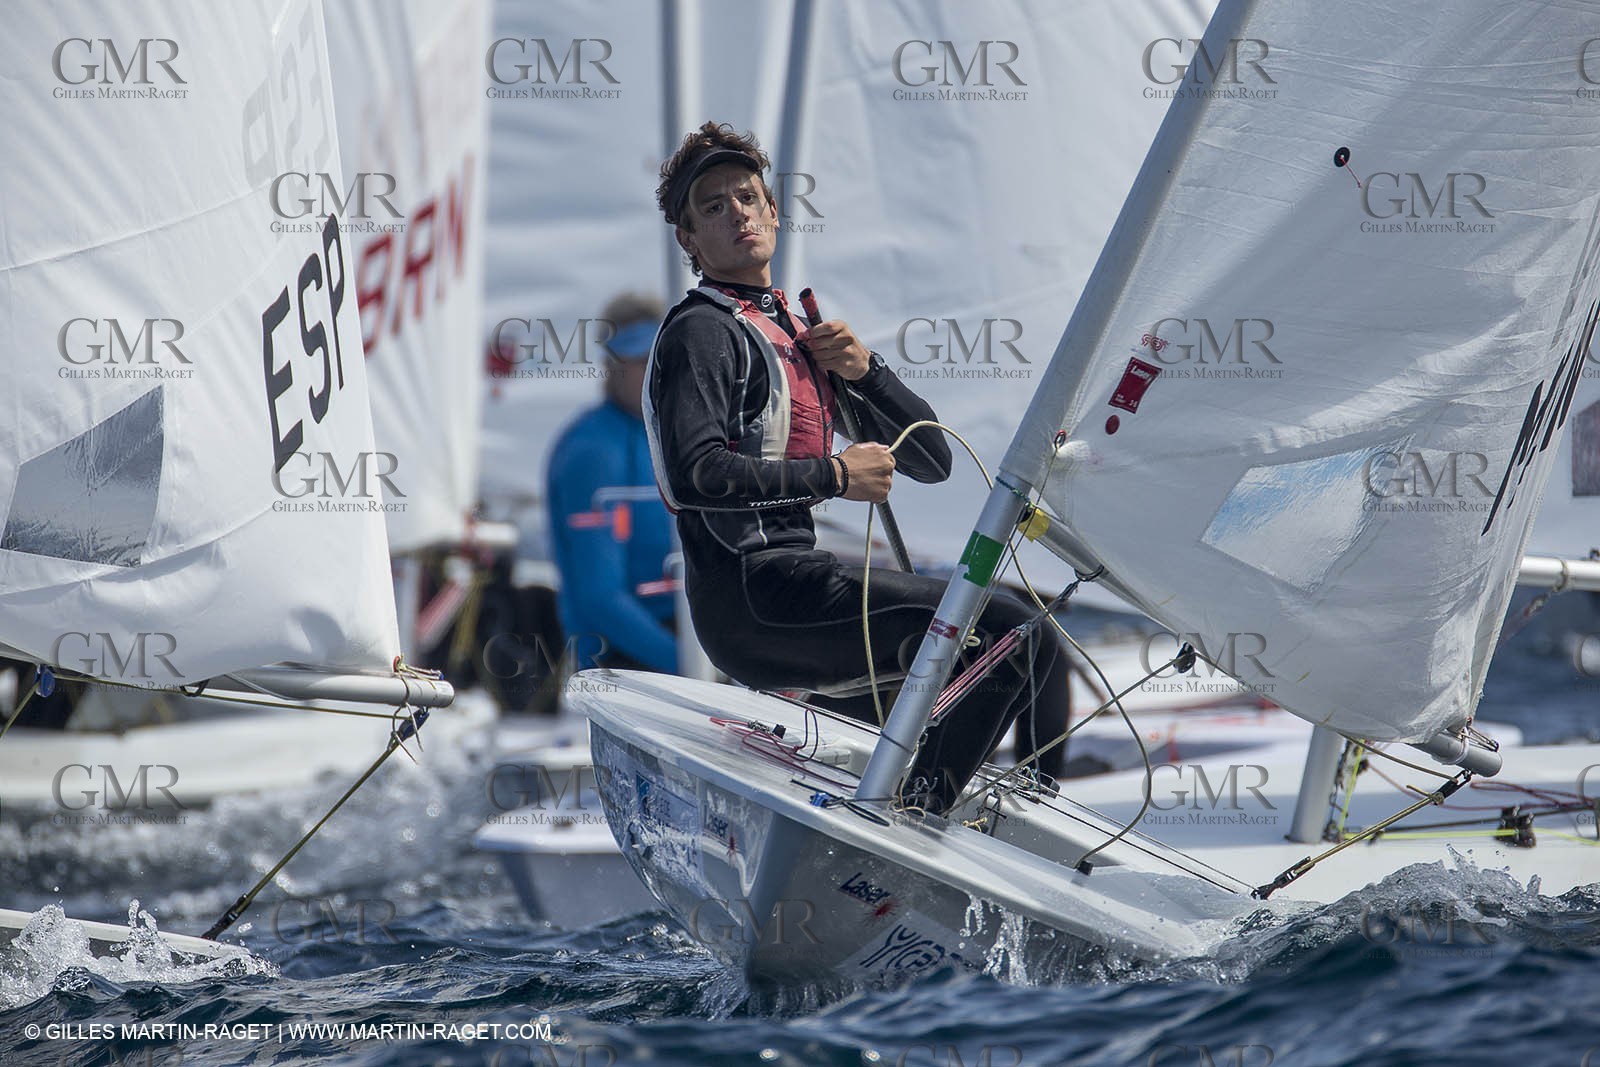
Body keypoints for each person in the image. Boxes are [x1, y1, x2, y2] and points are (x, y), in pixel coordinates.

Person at [643, 122, 1071, 813]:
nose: (738, 214)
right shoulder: (703, 332)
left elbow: (930, 459)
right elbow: (695, 475)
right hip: (755, 599)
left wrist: (867, 371)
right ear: (689, 240)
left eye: (748, 197)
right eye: (713, 206)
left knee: (1032, 646)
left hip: (799, 595)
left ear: (775, 213)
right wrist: (836, 476)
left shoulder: (788, 330)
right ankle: (913, 819)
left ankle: (1029, 822)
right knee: (1012, 631)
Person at [546, 293, 678, 674]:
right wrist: (692, 665)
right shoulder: (593, 451)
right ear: (612, 364)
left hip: (685, 641)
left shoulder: (672, 435)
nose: (651, 372)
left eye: (658, 359)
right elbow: (601, 598)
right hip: (622, 663)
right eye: (638, 361)